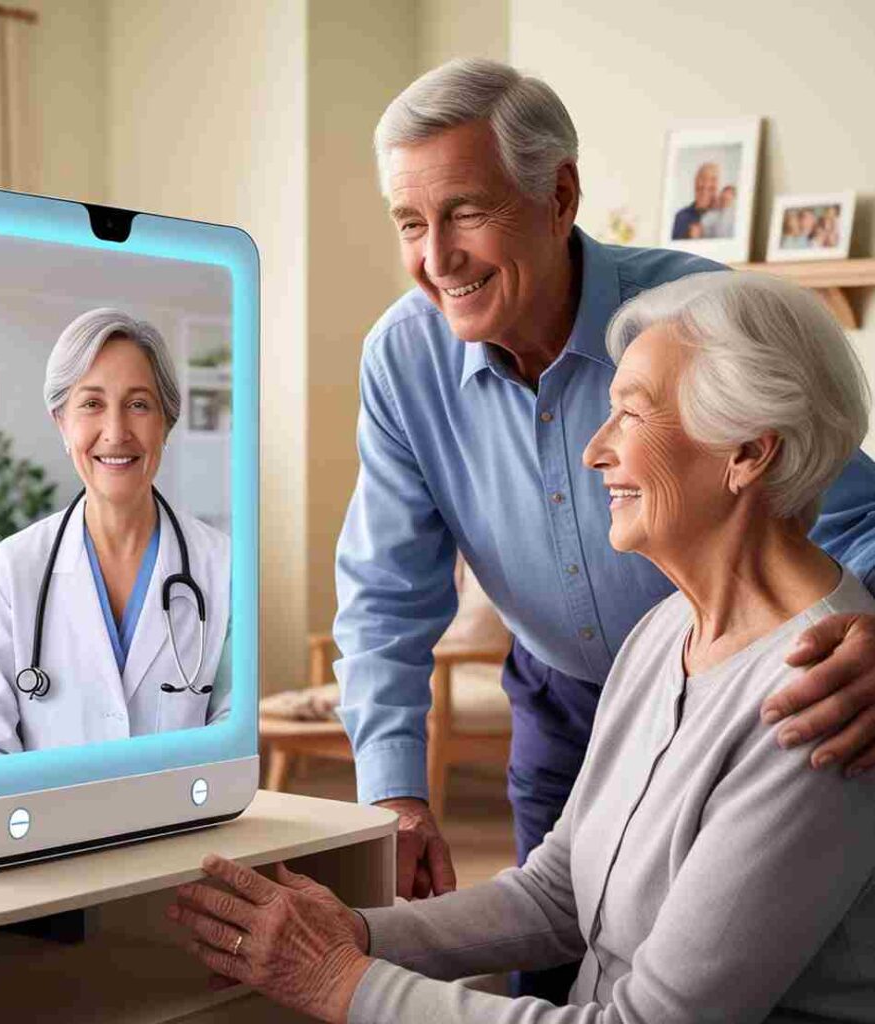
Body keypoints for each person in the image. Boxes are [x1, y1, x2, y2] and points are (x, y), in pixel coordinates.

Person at [169, 271, 875, 1024]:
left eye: (630, 416)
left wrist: (341, 981)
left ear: (747, 454)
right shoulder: (665, 630)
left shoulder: (821, 698)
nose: (595, 451)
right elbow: (558, 892)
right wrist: (362, 933)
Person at [328, 58, 875, 1004]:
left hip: (743, 685)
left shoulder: (695, 326)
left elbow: (843, 499)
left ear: (559, 195)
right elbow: (386, 592)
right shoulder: (402, 358)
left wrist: (860, 638)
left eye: (463, 211)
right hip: (595, 686)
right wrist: (395, 797)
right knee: (565, 943)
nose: (436, 258)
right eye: (410, 225)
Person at [0, 308, 231, 755]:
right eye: (91, 403)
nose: (116, 431)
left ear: (166, 421)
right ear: (61, 422)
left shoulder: (224, 566)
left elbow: (233, 734)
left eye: (138, 405)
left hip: (185, 822)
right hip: (49, 825)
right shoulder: (9, 571)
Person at [671, 161, 719, 239]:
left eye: (713, 179)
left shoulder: (723, 217)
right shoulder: (680, 217)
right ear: (695, 182)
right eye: (703, 178)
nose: (706, 184)